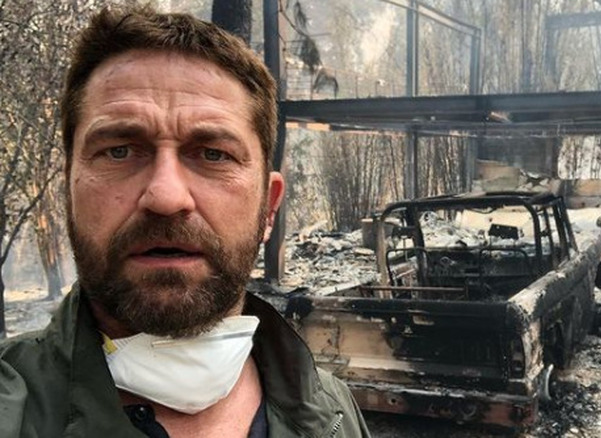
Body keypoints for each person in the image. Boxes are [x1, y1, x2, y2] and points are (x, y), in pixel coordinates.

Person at [0, 5, 370, 438]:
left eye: (213, 154)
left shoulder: (333, 412)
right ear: (68, 191)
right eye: (119, 150)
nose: (166, 196)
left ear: (268, 210)